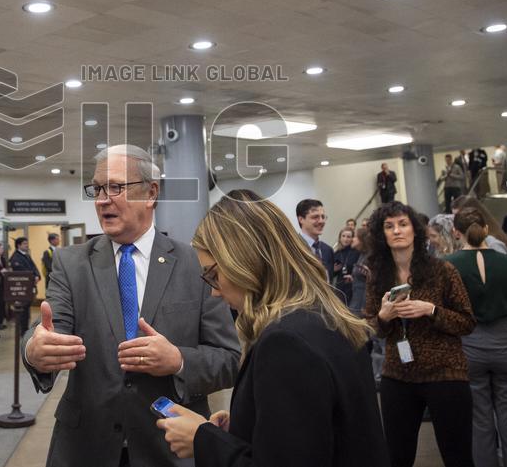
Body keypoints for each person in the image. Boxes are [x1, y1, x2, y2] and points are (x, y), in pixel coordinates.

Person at [22, 144, 240, 467]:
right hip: (85, 448)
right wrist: (35, 350)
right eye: (97, 188)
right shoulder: (70, 263)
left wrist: (179, 360)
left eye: (115, 187)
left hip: (169, 448)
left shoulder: (194, 264)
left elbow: (229, 359)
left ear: (151, 193)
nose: (101, 199)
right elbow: (51, 331)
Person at [155, 190, 389, 467]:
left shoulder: (285, 343)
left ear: (244, 262)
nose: (215, 292)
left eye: (214, 275)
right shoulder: (328, 314)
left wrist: (202, 439)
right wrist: (245, 424)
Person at [365, 201, 476, 467]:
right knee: (396, 457)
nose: (397, 231)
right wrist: (383, 317)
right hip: (398, 375)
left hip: (445, 373)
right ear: (382, 235)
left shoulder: (442, 270)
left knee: (457, 456)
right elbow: (369, 327)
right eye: (389, 226)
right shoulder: (378, 276)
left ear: (415, 229)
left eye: (403, 224)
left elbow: (467, 322)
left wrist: (431, 310)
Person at [447, 209, 507, 467]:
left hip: (468, 346)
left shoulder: (447, 265)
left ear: (456, 232)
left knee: (479, 424)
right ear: (486, 229)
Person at [295, 199, 335, 280]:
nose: (321, 221)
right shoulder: (293, 248)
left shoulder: (327, 250)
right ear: (301, 219)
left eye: (323, 217)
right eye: (315, 217)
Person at [9, 237, 40, 336]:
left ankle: (25, 329)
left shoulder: (26, 255)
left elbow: (34, 267)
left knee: (26, 310)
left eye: (27, 243)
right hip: (22, 289)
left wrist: (37, 275)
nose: (27, 245)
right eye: (24, 244)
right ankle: (22, 331)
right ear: (19, 245)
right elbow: (21, 272)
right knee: (22, 311)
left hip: (29, 287)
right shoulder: (15, 257)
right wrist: (32, 277)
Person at [349, 227, 370, 316]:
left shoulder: (369, 256)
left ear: (362, 239)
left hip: (362, 303)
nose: (352, 239)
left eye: (355, 237)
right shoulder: (362, 254)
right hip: (356, 297)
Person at [333, 227, 357, 305]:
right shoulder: (336, 253)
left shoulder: (357, 252)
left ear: (352, 239)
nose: (345, 239)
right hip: (340, 288)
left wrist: (353, 276)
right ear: (340, 238)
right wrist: (334, 270)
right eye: (343, 236)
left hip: (353, 287)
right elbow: (332, 274)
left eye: (348, 237)